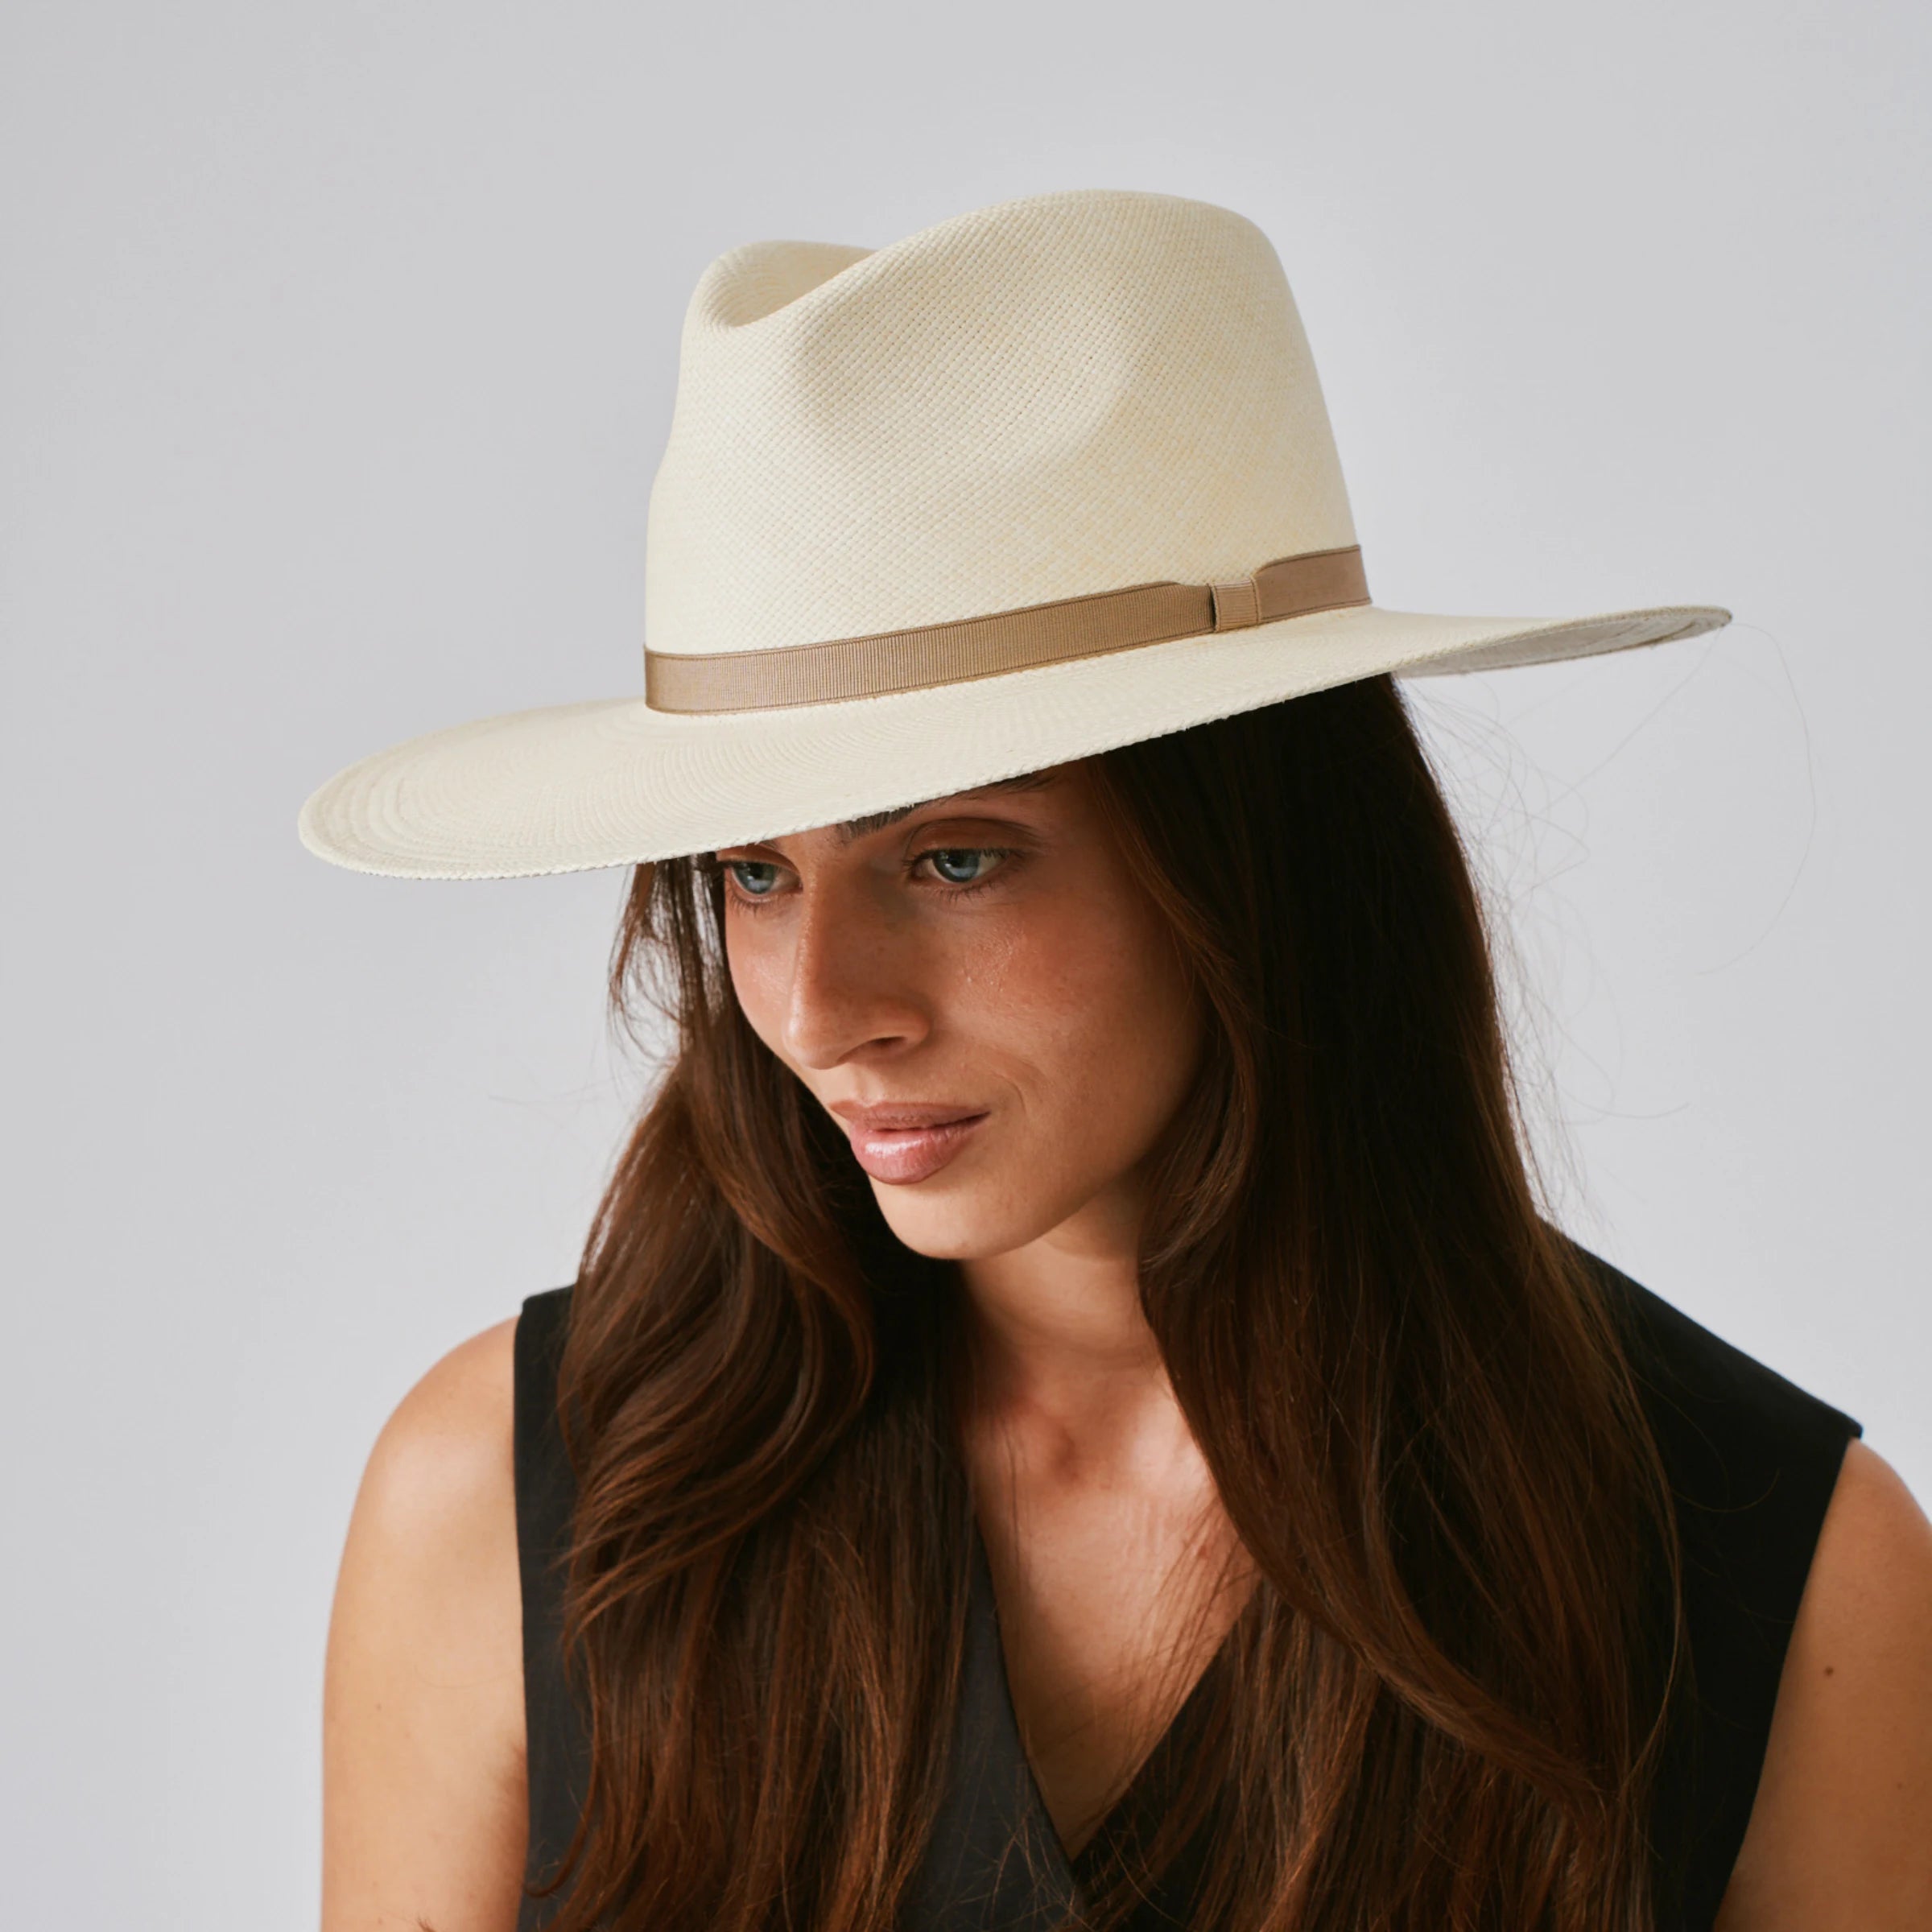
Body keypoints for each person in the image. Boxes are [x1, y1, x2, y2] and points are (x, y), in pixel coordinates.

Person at [301, 190, 1932, 1932]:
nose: (825, 1004)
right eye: (751, 873)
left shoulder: (1768, 1566)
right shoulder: (520, 1498)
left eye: (952, 857)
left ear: (1258, 855)